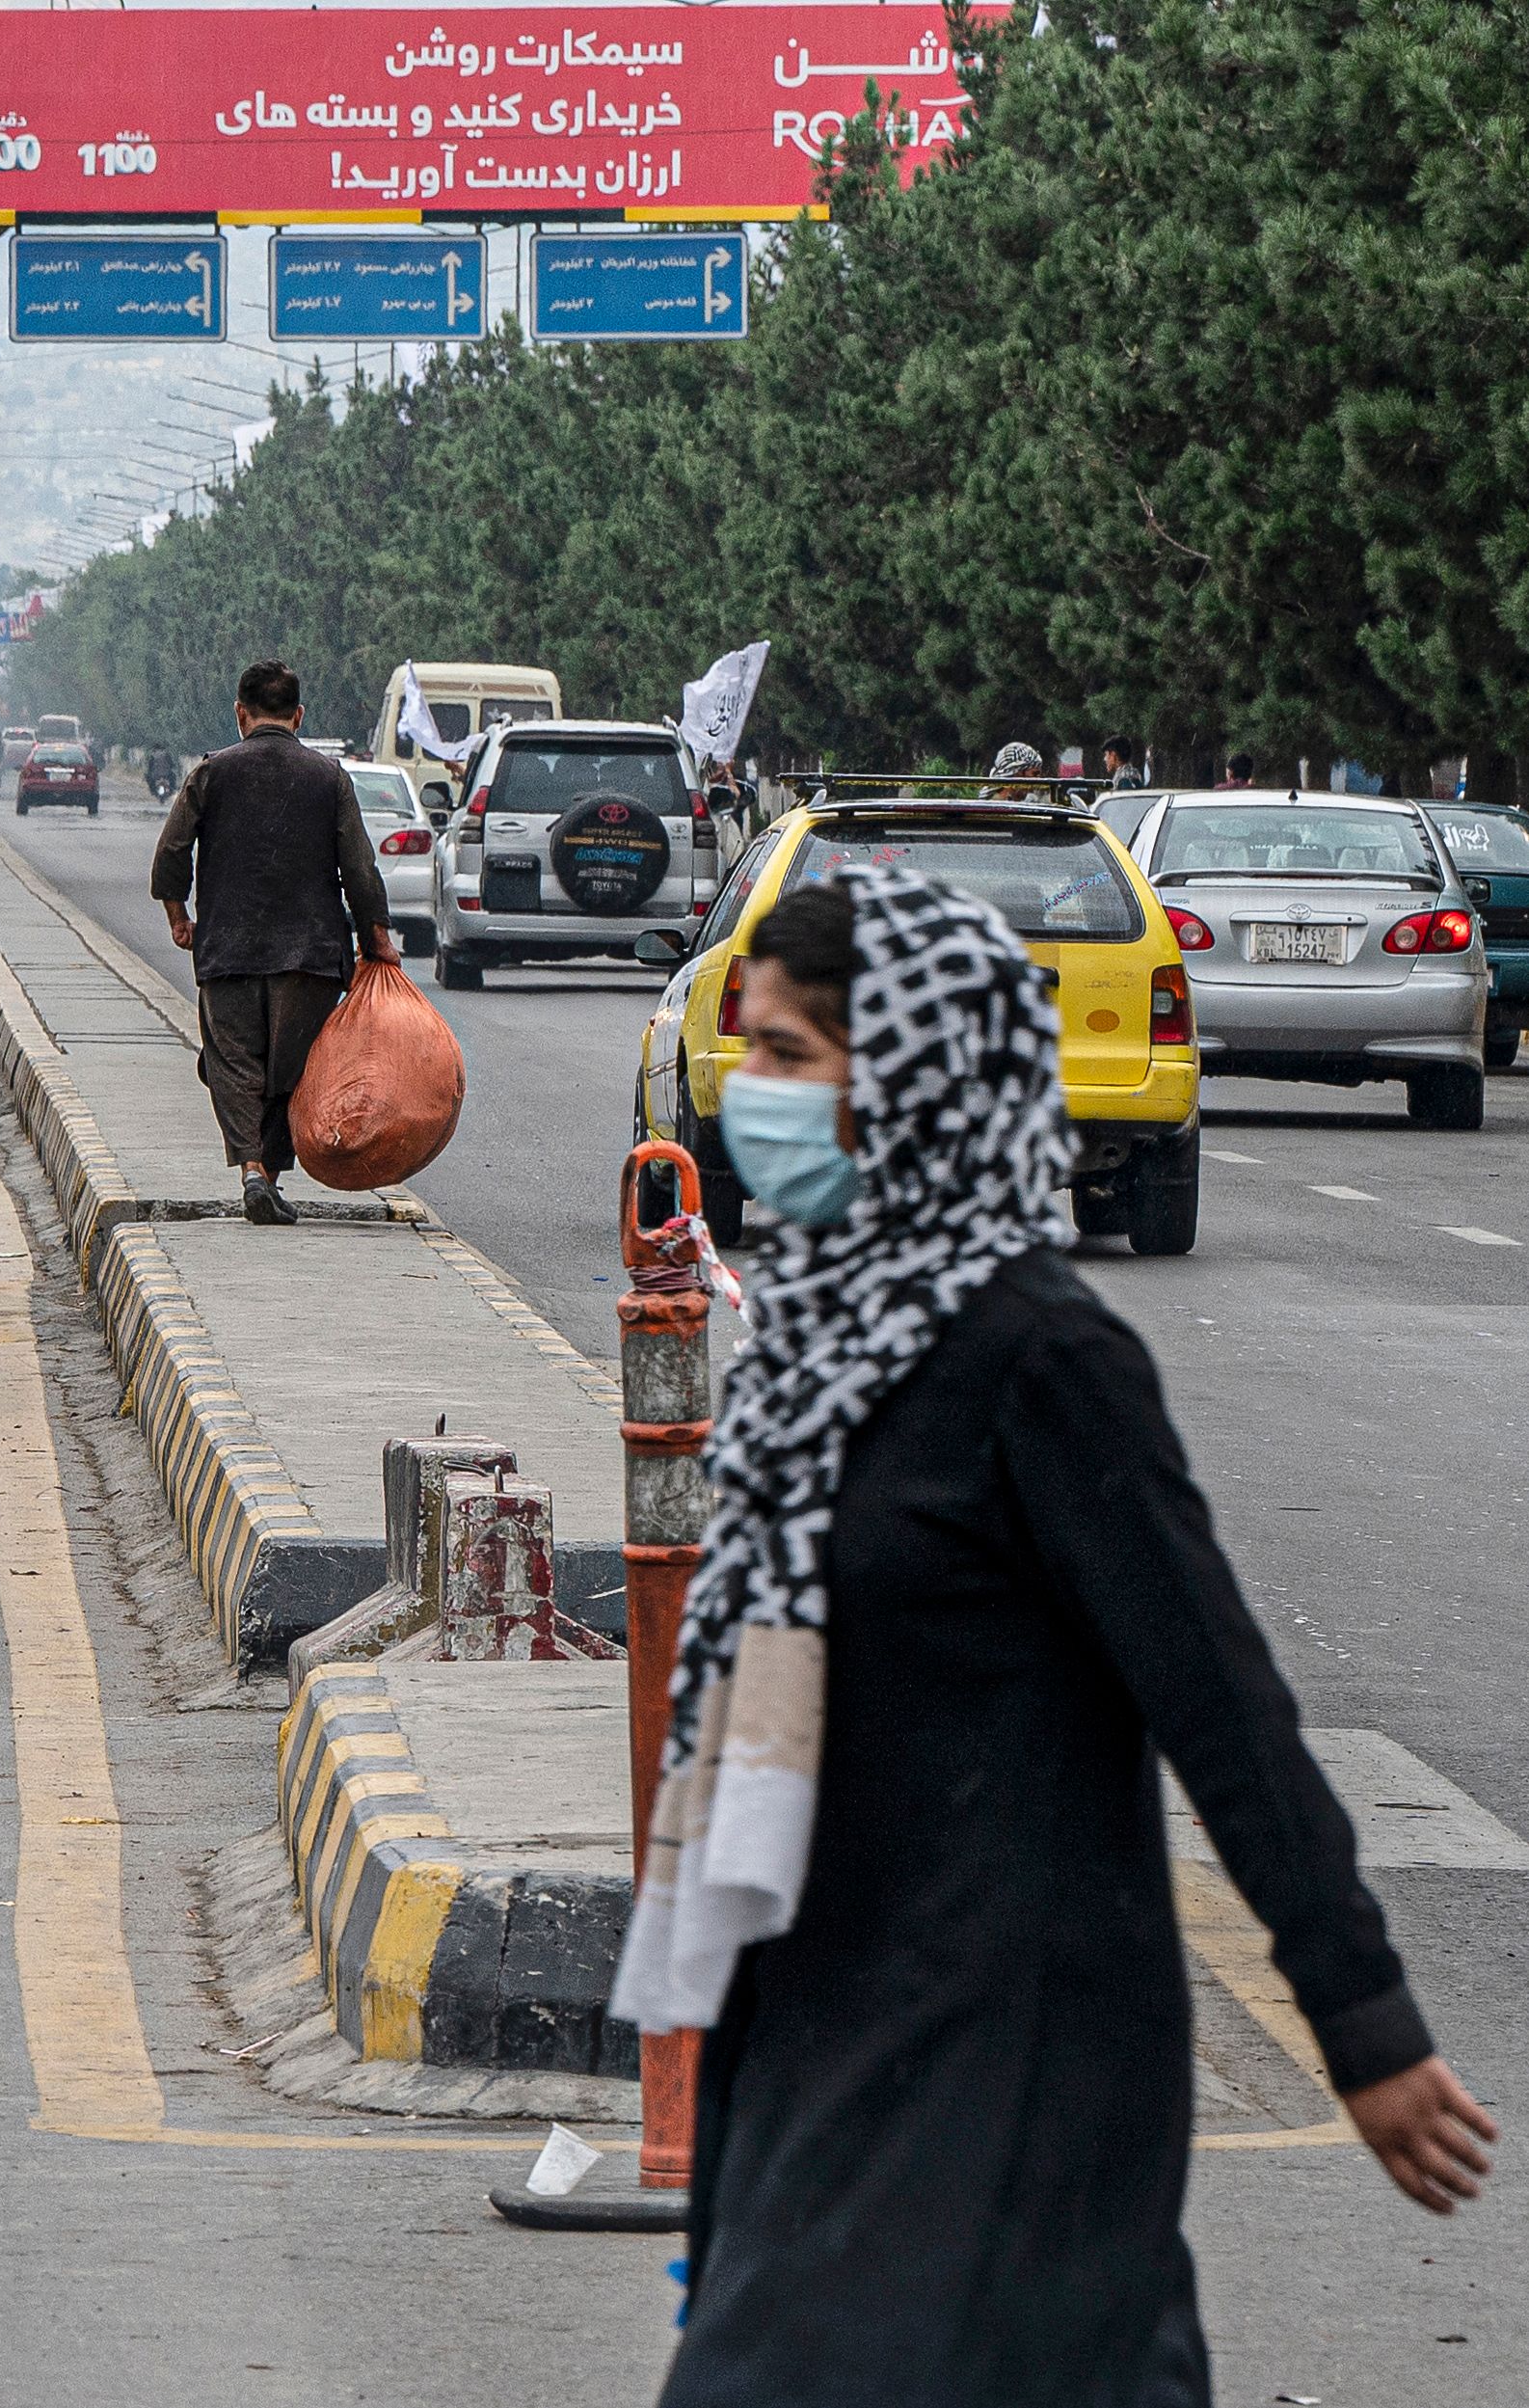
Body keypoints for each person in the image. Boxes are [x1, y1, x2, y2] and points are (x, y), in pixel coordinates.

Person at [624, 871, 1491, 2408]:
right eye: (748, 1051)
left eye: (790, 1057)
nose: (746, 1096)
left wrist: (1361, 2019)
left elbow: (1219, 1696)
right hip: (825, 2005)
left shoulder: (1040, 1357)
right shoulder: (808, 1355)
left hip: (1009, 2032)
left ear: (912, 1078)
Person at [148, 659, 395, 1226]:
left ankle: (254, 1173)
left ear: (241, 713)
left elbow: (170, 850)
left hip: (226, 950)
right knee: (295, 1069)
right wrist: (376, 938)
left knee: (232, 1063)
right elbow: (359, 866)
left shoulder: (211, 773)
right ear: (299, 715)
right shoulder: (329, 778)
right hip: (308, 957)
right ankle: (271, 1176)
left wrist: (176, 916)